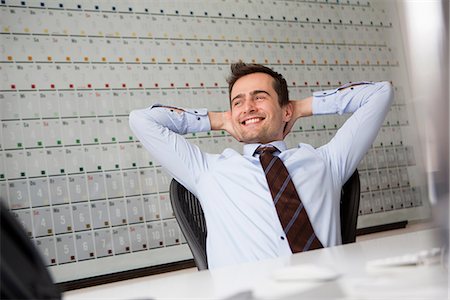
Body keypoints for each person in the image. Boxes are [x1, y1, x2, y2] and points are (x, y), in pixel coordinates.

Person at [129, 62, 393, 269]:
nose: (248, 107)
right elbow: (142, 120)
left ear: (285, 111)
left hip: (326, 290)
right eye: (238, 102)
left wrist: (301, 107)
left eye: (259, 97)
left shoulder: (326, 161)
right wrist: (220, 119)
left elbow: (379, 93)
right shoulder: (207, 171)